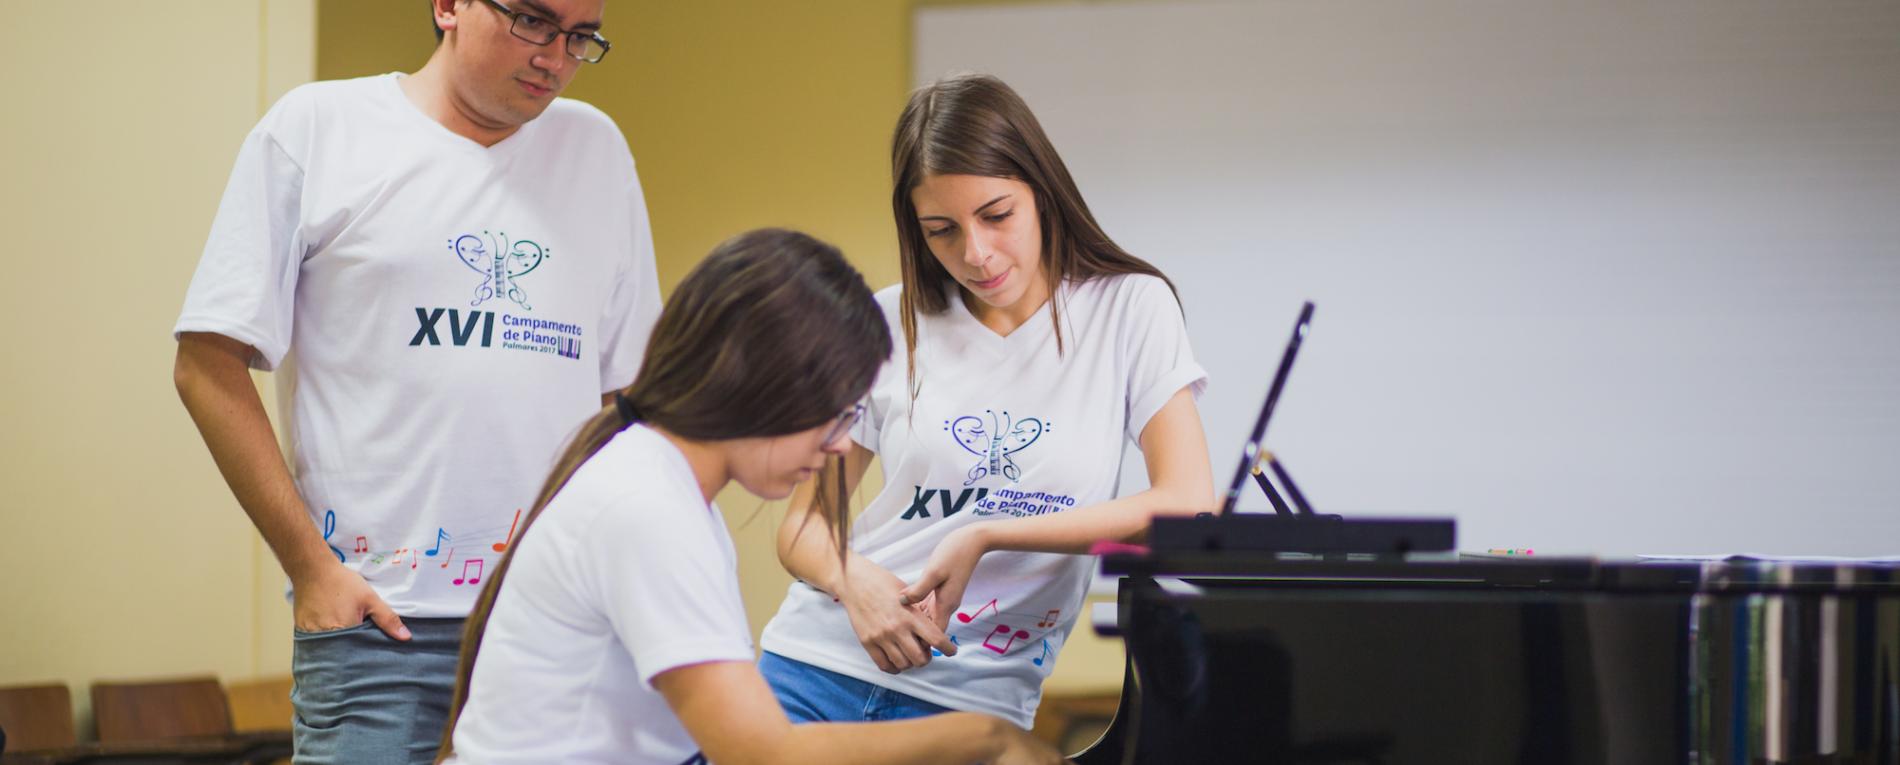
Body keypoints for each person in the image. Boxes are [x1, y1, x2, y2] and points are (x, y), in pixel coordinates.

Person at [170, 1, 658, 762]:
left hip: (552, 621)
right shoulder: (317, 129)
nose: (555, 58)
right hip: (377, 627)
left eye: (580, 37)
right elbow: (205, 362)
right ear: (449, 6)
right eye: (532, 21)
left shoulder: (595, 150)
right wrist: (313, 570)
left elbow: (625, 401)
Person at [436, 229, 1061, 765]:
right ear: (762, 383)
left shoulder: (663, 486)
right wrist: (987, 736)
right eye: (838, 414)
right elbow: (762, 754)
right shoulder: (645, 506)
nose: (843, 446)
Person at [758, 73, 1216, 730]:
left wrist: (988, 533)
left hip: (976, 704)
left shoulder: (1130, 308)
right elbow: (805, 524)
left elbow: (1187, 502)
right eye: (941, 230)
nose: (975, 253)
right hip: (812, 670)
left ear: (1042, 192)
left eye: (996, 215)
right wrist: (853, 583)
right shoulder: (886, 322)